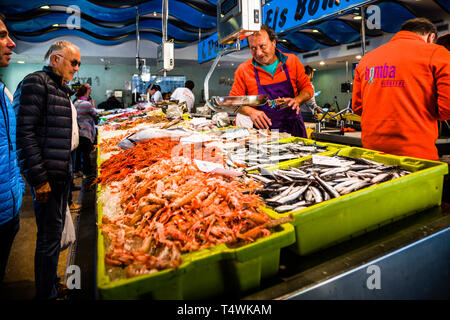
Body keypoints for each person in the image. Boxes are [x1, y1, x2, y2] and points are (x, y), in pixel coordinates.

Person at [14, 40, 81, 299]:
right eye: (73, 62)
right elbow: (24, 134)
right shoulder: (36, 83)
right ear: (56, 59)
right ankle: (47, 294)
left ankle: (51, 283)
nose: (76, 68)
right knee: (48, 239)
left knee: (53, 235)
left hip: (60, 176)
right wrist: (39, 179)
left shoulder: (59, 88)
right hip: (48, 179)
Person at [352, 18, 450, 160]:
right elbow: (447, 109)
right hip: (416, 155)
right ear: (431, 37)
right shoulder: (437, 53)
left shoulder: (366, 60)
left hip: (372, 154)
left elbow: (357, 107)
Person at [229, 24, 314, 137]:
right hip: (263, 135)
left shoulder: (292, 61)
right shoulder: (244, 70)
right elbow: (233, 102)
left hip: (294, 132)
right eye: (253, 48)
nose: (258, 53)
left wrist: (298, 100)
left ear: (274, 42)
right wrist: (251, 112)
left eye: (262, 46)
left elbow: (307, 89)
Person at [0, 14, 25, 285]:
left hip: (10, 209)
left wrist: (17, 188)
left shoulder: (4, 94)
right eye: (2, 36)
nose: (12, 43)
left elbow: (12, 146)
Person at [74, 83, 97, 179]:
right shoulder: (87, 104)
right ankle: (88, 174)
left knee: (78, 153)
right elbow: (95, 114)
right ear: (87, 92)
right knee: (87, 154)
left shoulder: (75, 103)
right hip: (86, 132)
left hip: (77, 132)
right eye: (89, 89)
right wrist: (93, 105)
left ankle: (77, 171)